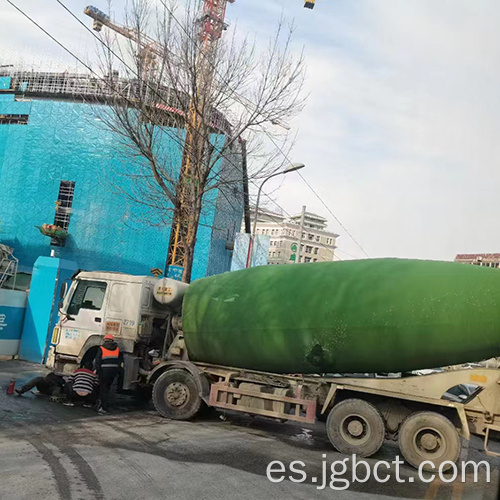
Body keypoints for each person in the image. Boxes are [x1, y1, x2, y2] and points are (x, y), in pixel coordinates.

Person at [94, 334, 123, 413]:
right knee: (108, 388)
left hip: (104, 371)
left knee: (103, 389)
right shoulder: (117, 349)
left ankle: (103, 407)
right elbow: (119, 361)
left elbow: (98, 361)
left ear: (105, 340)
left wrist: (97, 371)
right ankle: (104, 406)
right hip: (113, 372)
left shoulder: (102, 348)